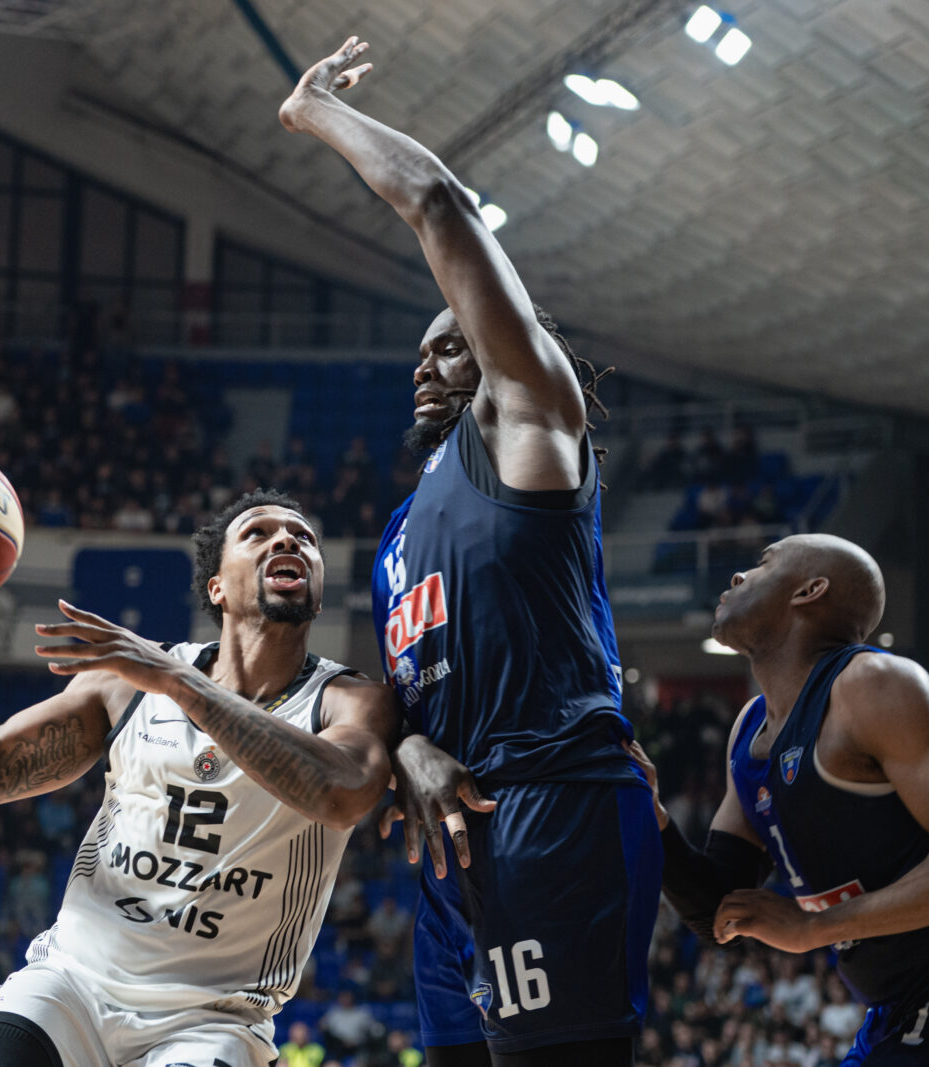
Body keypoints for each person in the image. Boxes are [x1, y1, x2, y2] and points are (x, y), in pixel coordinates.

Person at [281, 36, 659, 1065]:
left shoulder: (530, 422)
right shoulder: (403, 527)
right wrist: (403, 746)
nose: (424, 361)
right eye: (418, 351)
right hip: (450, 839)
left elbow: (439, 204)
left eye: (448, 342)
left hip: (551, 807)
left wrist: (315, 112)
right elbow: (399, 695)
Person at [0, 487, 398, 1067]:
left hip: (214, 1017)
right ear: (217, 587)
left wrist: (179, 682)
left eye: (304, 538)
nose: (288, 539)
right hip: (73, 984)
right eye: (258, 533)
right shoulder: (131, 683)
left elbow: (340, 795)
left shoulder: (348, 702)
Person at [628, 534, 929, 1063]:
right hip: (895, 1008)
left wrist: (815, 928)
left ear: (810, 591)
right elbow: (719, 913)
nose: (738, 576)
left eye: (763, 563)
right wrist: (653, 818)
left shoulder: (872, 685)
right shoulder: (750, 729)